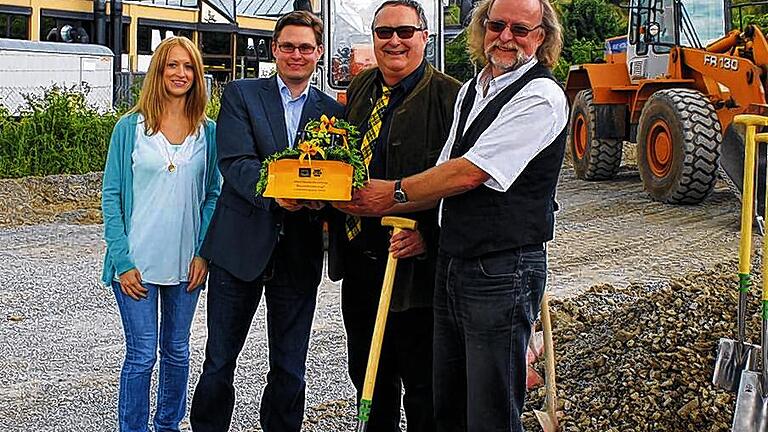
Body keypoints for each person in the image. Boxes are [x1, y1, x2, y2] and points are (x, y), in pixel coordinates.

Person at [340, 0, 568, 430]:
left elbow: (468, 173)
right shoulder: (473, 90)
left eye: (520, 29)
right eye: (496, 25)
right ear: (482, 29)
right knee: (451, 401)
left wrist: (389, 196)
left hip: (502, 267)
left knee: (490, 408)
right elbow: (442, 171)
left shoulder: (541, 96)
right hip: (454, 263)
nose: (505, 36)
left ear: (541, 38)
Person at [189, 11, 343, 432]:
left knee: (290, 366)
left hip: (299, 251)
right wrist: (276, 194)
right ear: (274, 49)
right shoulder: (242, 95)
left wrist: (319, 203)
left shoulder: (331, 112)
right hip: (239, 246)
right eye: (289, 46)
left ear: (319, 53)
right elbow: (235, 162)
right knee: (220, 359)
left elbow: (336, 175)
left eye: (306, 47)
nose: (297, 54)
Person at [329, 1, 461, 430]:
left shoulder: (451, 97)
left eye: (405, 31)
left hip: (418, 273)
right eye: (384, 33)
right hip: (361, 264)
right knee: (369, 378)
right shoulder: (362, 89)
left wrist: (429, 235)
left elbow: (466, 181)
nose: (394, 41)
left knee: (425, 385)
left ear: (425, 35)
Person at [101, 36, 220, 432]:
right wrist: (122, 261)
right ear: (158, 71)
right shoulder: (129, 128)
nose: (180, 74)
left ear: (197, 75)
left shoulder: (209, 133)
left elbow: (214, 195)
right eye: (172, 65)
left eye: (188, 67)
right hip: (136, 264)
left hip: (187, 264)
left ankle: (168, 424)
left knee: (177, 351)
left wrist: (204, 252)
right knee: (141, 356)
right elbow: (112, 195)